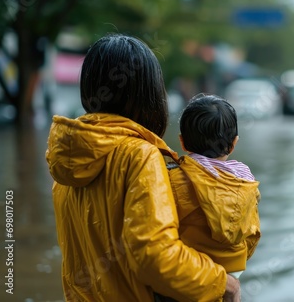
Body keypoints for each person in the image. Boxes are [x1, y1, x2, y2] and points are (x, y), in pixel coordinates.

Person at [45, 34, 240, 301]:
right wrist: (223, 283)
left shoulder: (66, 160)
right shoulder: (140, 155)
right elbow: (155, 257)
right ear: (149, 94)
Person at [155, 94, 261, 301]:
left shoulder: (172, 178)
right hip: (230, 275)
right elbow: (253, 235)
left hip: (188, 279)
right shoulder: (246, 182)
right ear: (234, 144)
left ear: (182, 142)